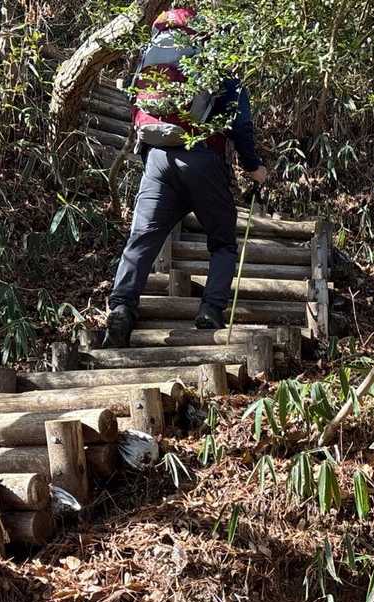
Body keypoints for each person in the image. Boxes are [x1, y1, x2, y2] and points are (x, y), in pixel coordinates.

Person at [103, 5, 269, 348]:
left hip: (158, 158)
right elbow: (240, 124)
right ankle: (210, 310)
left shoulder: (153, 57)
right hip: (203, 159)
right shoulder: (216, 66)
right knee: (222, 242)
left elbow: (137, 108)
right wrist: (254, 168)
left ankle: (121, 308)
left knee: (142, 238)